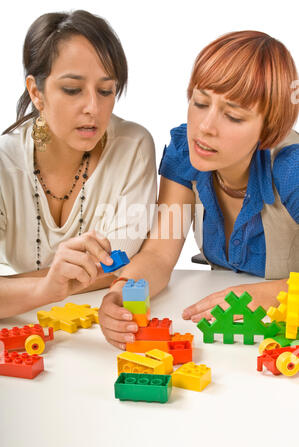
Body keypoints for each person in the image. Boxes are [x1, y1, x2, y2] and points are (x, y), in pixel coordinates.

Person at [98, 30, 299, 350]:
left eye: (233, 115)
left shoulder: (292, 169)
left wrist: (269, 294)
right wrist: (122, 292)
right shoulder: (185, 153)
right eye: (200, 102)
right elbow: (158, 255)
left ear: (271, 127)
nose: (205, 126)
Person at [0, 10, 156, 318]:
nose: (93, 108)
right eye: (72, 89)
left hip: (94, 326)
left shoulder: (133, 148)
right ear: (36, 92)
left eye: (106, 90)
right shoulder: (5, 164)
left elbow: (117, 269)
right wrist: (46, 288)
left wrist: (9, 289)